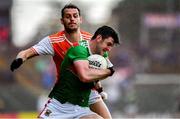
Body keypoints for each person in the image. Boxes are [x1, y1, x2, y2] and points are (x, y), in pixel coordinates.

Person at [10, 4, 113, 118]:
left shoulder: (91, 41)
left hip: (88, 93)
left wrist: (99, 88)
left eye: (75, 16)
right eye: (68, 16)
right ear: (62, 20)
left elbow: (98, 66)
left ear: (80, 19)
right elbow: (27, 52)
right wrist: (19, 59)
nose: (72, 19)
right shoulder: (53, 41)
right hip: (64, 95)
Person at [38, 25, 120, 118]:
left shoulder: (102, 54)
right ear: (99, 38)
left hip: (81, 103)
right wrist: (108, 72)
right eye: (108, 44)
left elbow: (103, 72)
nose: (109, 49)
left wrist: (100, 90)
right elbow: (85, 76)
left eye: (111, 46)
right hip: (61, 104)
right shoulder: (79, 49)